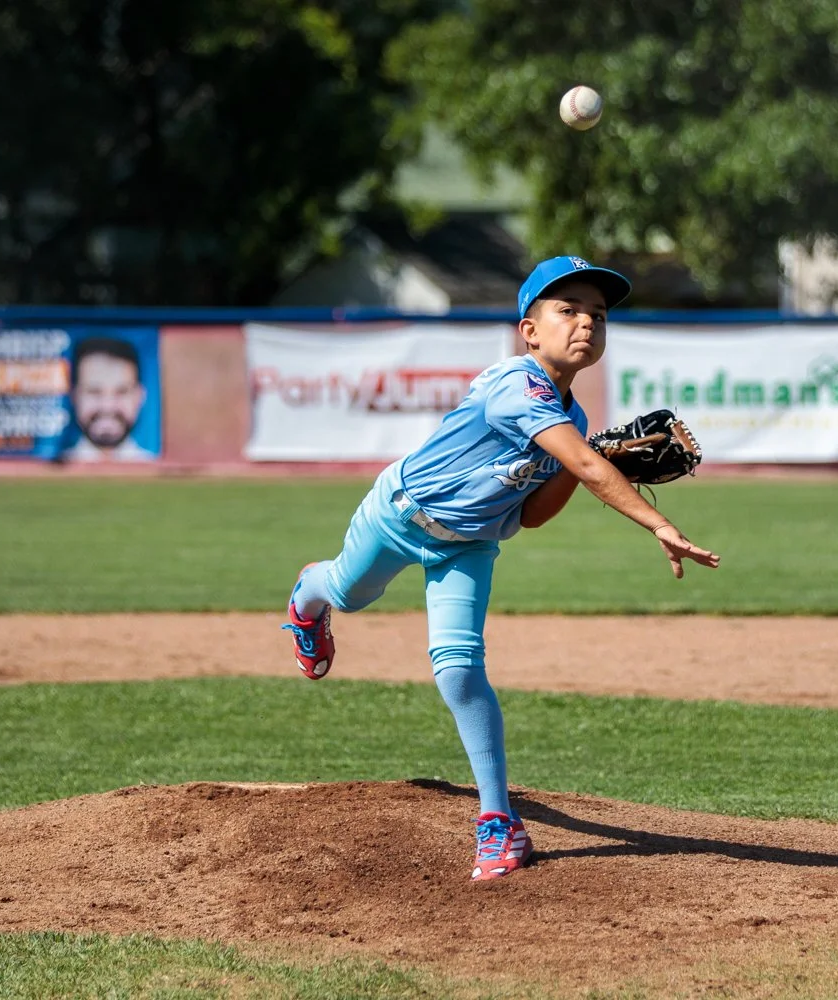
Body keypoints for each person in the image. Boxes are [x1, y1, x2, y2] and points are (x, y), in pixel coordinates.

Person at [281, 255, 720, 881]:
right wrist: (655, 519)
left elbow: (537, 512)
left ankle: (497, 821)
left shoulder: (574, 422)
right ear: (529, 330)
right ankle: (307, 597)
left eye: (597, 314)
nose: (586, 324)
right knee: (347, 594)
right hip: (398, 515)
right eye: (567, 310)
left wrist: (580, 460)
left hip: (469, 545)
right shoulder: (514, 385)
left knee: (458, 671)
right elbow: (594, 469)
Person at [64, 336, 158, 461]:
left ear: (140, 396)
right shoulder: (48, 472)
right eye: (94, 392)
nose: (107, 406)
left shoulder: (154, 468)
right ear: (74, 396)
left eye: (121, 392)